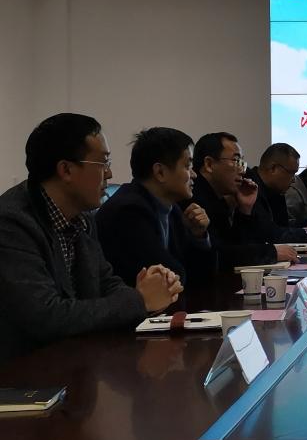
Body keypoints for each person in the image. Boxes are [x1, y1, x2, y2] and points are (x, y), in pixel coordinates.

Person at [0, 113, 182, 362]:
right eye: (103, 163)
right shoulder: (12, 223)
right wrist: (139, 301)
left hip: (75, 363)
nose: (110, 174)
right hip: (24, 372)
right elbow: (47, 317)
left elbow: (105, 282)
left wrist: (152, 291)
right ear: (66, 170)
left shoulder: (82, 217)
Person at [96, 127, 216, 292]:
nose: (194, 175)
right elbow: (169, 279)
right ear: (160, 172)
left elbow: (202, 275)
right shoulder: (128, 212)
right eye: (187, 165)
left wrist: (198, 235)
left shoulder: (172, 209)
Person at [186, 132, 297, 272]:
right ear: (209, 164)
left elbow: (237, 245)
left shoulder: (217, 198)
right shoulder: (194, 198)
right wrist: (271, 253)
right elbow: (219, 256)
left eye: (242, 163)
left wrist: (245, 209)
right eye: (236, 161)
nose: (242, 171)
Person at [245, 143, 307, 243]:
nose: (294, 180)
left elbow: (282, 226)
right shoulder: (250, 189)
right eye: (292, 173)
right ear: (273, 168)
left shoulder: (275, 191)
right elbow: (269, 234)